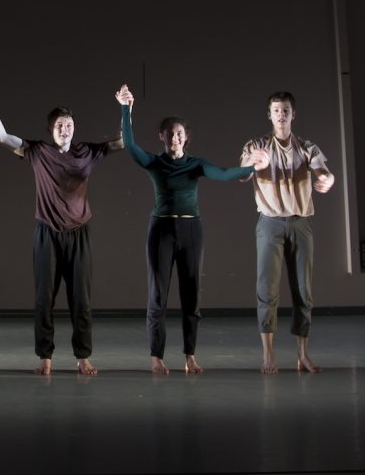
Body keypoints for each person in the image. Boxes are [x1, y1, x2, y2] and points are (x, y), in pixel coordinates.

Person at [115, 85, 269, 375]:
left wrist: (250, 169)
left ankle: (190, 356)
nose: (175, 137)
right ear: (162, 136)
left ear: (186, 137)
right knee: (157, 296)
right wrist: (126, 108)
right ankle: (156, 357)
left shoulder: (197, 164)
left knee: (191, 296)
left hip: (191, 230)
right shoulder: (155, 163)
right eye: (170, 133)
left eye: (180, 133)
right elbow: (131, 146)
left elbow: (223, 174)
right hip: (160, 229)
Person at [0, 97, 122, 376]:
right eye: (59, 125)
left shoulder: (87, 152)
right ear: (50, 130)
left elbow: (122, 142)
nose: (65, 129)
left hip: (79, 234)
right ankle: (45, 357)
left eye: (69, 125)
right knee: (44, 298)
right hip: (47, 234)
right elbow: (1, 137)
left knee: (81, 300)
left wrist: (126, 107)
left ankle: (83, 357)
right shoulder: (38, 151)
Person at [240, 91, 334, 374]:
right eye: (276, 110)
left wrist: (327, 179)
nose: (281, 114)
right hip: (269, 223)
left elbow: (323, 172)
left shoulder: (307, 147)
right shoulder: (257, 145)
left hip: (300, 222)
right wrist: (251, 163)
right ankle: (268, 355)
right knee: (266, 290)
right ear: (269, 115)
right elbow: (242, 172)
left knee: (303, 291)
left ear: (294, 115)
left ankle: (302, 354)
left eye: (286, 110)